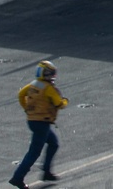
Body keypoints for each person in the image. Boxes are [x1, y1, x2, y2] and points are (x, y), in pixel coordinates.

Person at [10, 60, 69, 189]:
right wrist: (65, 101)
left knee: (53, 143)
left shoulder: (34, 84)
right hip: (42, 122)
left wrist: (26, 108)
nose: (53, 77)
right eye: (51, 74)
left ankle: (46, 171)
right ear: (47, 74)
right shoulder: (48, 88)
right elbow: (59, 103)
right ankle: (17, 177)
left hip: (32, 121)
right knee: (34, 152)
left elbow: (21, 94)